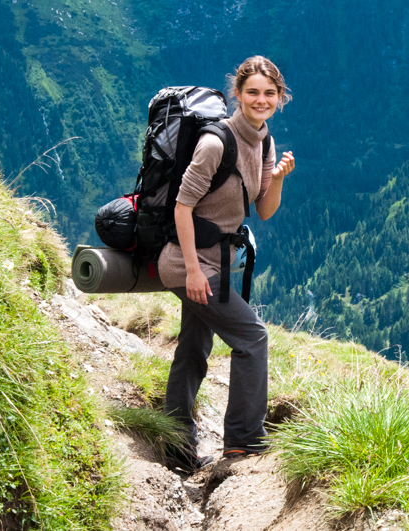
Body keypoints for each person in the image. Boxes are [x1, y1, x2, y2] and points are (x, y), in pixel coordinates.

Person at [158, 56, 294, 473]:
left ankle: (176, 446)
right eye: (252, 92)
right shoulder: (216, 143)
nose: (261, 100)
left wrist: (280, 178)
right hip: (187, 264)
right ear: (236, 94)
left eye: (269, 93)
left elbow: (264, 210)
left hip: (214, 262)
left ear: (280, 98)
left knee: (194, 347)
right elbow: (182, 208)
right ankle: (243, 440)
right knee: (252, 337)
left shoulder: (264, 142)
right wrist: (195, 272)